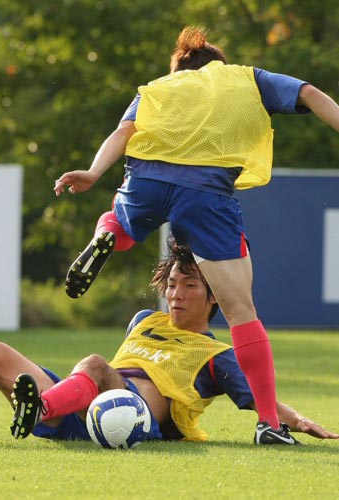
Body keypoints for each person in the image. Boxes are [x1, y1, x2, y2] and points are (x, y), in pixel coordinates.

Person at [53, 27, 339, 443]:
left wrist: (93, 173)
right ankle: (268, 424)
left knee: (118, 219)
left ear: (180, 68)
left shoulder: (158, 87)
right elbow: (312, 94)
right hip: (206, 191)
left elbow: (123, 134)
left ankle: (108, 236)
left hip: (146, 179)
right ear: (217, 65)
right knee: (241, 311)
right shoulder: (246, 77)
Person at [0, 243, 336, 445]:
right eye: (172, 285)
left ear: (214, 297)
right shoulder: (144, 320)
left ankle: (40, 408)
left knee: (96, 365)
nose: (175, 295)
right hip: (80, 405)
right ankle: (47, 406)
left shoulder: (216, 356)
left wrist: (299, 420)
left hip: (130, 420)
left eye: (189, 286)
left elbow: (261, 399)